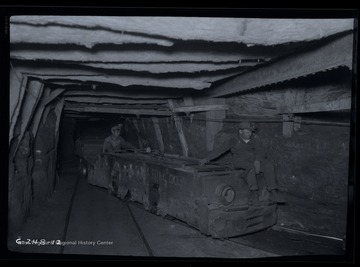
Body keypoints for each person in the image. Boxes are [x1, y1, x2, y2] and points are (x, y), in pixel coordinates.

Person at [200, 121, 278, 206]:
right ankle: (254, 194)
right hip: (239, 161)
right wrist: (206, 159)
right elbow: (219, 150)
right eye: (247, 132)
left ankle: (273, 191)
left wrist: (257, 160)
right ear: (240, 131)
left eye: (251, 131)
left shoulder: (255, 138)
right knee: (250, 167)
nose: (250, 134)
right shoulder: (233, 140)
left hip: (252, 160)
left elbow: (261, 151)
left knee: (268, 166)